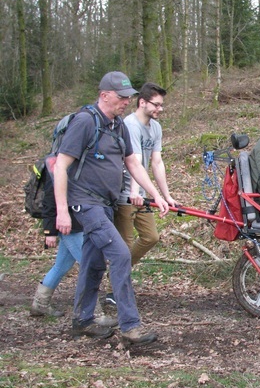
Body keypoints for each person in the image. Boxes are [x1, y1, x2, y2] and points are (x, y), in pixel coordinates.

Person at [54, 71, 169, 344]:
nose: (126, 102)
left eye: (128, 97)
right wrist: (61, 210)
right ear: (104, 95)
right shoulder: (85, 122)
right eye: (121, 97)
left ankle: (82, 321)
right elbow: (60, 165)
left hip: (105, 204)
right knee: (120, 254)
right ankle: (131, 326)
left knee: (93, 263)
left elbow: (133, 163)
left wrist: (157, 195)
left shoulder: (118, 126)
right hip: (85, 202)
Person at [106, 83, 177, 306]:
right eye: (156, 104)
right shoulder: (129, 125)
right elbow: (132, 160)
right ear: (142, 102)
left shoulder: (155, 128)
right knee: (124, 246)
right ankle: (115, 291)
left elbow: (156, 162)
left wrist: (166, 196)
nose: (160, 109)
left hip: (141, 194)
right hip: (124, 194)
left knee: (151, 237)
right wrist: (134, 192)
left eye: (161, 105)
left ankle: (117, 277)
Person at [29, 167, 117, 327]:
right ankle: (90, 313)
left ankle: (40, 304)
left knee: (61, 265)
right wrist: (49, 231)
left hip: (78, 222)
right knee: (89, 266)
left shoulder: (79, 161)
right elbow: (49, 199)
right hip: (68, 225)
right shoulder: (57, 163)